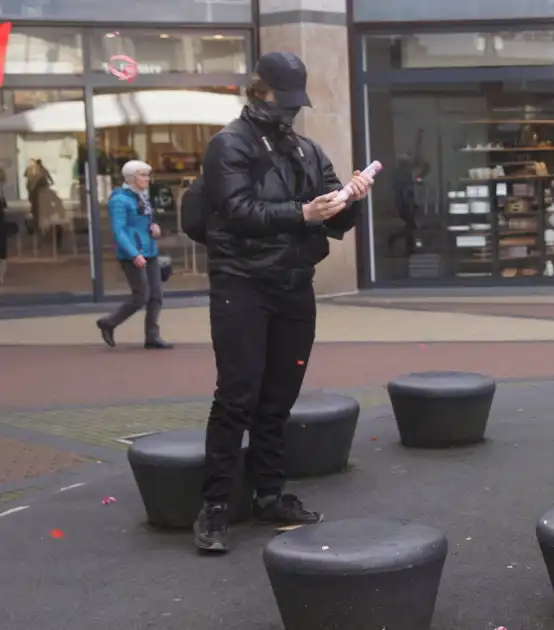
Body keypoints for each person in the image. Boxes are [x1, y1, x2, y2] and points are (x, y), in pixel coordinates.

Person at [193, 51, 373, 553]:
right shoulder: (229, 145)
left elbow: (332, 217)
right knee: (237, 396)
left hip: (294, 285)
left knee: (277, 399)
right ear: (260, 91)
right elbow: (236, 210)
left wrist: (349, 200)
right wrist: (303, 212)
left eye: (297, 101)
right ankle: (214, 506)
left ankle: (269, 494)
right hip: (242, 284)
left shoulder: (305, 150)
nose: (292, 109)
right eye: (284, 99)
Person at [96, 160, 171, 349]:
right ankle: (109, 322)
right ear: (131, 178)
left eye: (147, 175)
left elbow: (143, 222)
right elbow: (118, 231)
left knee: (156, 295)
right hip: (133, 254)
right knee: (141, 296)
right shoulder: (119, 200)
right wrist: (133, 253)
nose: (147, 179)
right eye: (143, 175)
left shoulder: (143, 196)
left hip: (149, 250)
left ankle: (152, 336)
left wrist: (153, 228)